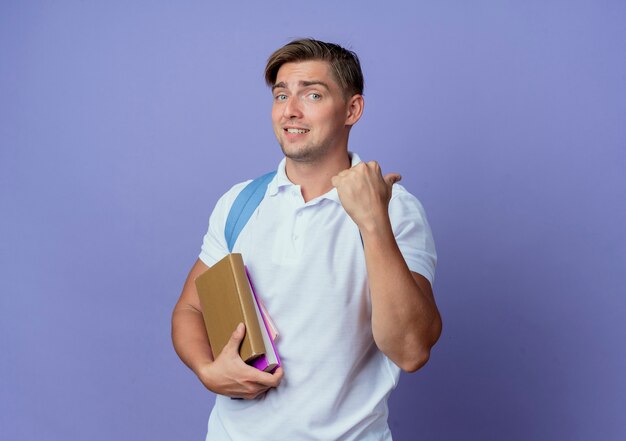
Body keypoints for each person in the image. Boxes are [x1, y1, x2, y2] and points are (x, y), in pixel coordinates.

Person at [172, 38, 442, 441]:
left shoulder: (394, 209)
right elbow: (189, 309)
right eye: (281, 95)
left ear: (352, 109)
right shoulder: (240, 202)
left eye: (312, 94)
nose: (290, 110)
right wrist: (207, 370)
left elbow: (411, 349)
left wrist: (372, 222)